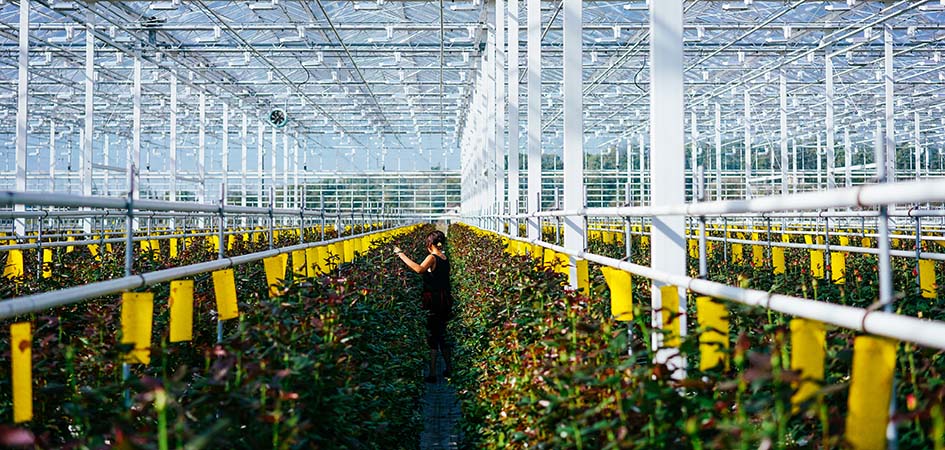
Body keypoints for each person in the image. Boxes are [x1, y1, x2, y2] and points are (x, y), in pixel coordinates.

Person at [393, 230, 453, 383]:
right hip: (444, 299)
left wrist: (401, 254)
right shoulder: (444, 257)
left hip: (433, 301)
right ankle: (449, 369)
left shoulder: (432, 257)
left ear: (430, 244)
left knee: (433, 336)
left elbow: (419, 269)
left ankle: (432, 374)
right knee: (442, 334)